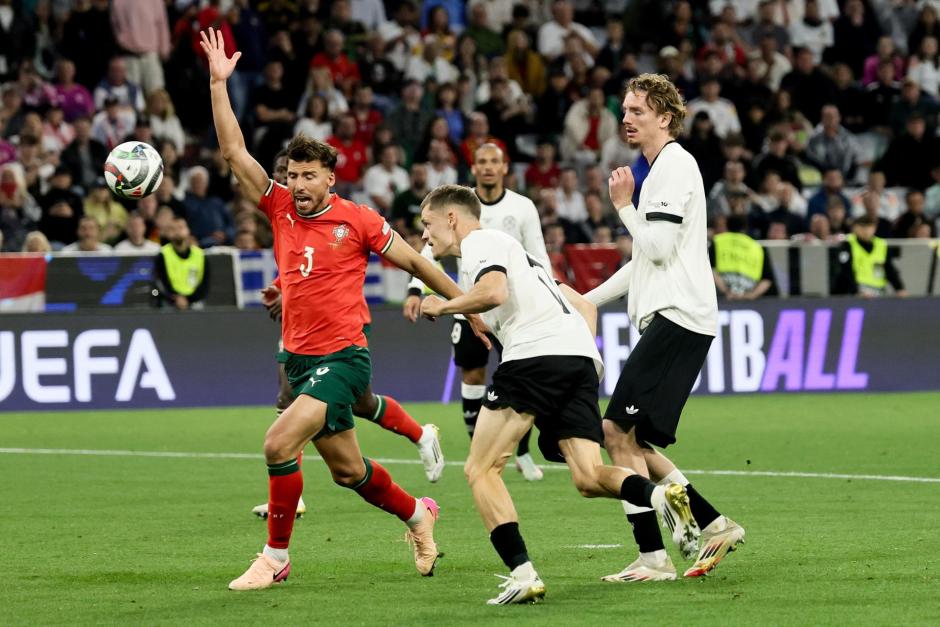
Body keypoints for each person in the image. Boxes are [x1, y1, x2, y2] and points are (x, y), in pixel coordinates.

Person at [201, 28, 477, 590]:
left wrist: (464, 304)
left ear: (330, 177)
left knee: (278, 442)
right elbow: (232, 151)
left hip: (345, 357)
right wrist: (217, 83)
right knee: (350, 471)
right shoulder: (279, 208)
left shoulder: (359, 220)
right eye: (292, 176)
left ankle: (275, 558)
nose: (297, 185)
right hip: (300, 357)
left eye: (308, 177)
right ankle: (417, 514)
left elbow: (418, 265)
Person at [417, 184, 694, 604]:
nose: (425, 236)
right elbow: (584, 308)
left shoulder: (479, 242)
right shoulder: (525, 259)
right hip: (578, 360)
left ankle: (523, 574)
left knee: (480, 469)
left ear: (452, 218)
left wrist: (444, 306)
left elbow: (494, 292)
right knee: (587, 476)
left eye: (427, 224)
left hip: (534, 360)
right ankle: (660, 496)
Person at [584, 74, 745, 581]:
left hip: (679, 317)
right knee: (635, 443)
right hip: (675, 316)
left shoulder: (673, 166)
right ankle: (714, 524)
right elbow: (645, 264)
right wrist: (587, 299)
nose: (626, 118)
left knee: (615, 431)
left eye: (637, 110)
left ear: (666, 118)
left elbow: (653, 249)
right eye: (625, 110)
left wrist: (623, 207)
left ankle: (653, 558)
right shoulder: (659, 171)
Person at [403, 143, 550, 481]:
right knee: (472, 374)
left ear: (504, 168)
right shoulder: (454, 206)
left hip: (511, 309)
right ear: (474, 168)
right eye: (481, 162)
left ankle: (522, 451)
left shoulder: (522, 207)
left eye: (493, 162)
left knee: (517, 375)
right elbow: (429, 248)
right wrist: (415, 288)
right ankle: (477, 446)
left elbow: (538, 253)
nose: (487, 167)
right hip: (467, 302)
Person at [832, 216, 907, 298]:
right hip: (857, 289)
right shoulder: (848, 243)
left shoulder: (881, 245)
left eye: (869, 227)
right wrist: (856, 291)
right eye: (862, 227)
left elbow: (889, 268)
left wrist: (899, 288)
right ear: (855, 228)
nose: (866, 231)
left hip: (878, 289)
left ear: (874, 228)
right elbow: (846, 270)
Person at [711, 215, 778, 300]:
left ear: (727, 226)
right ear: (745, 228)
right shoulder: (757, 247)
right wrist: (751, 295)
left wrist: (726, 291)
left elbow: (711, 270)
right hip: (749, 298)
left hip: (722, 298)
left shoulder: (717, 241)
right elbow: (767, 279)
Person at [152, 216, 209, 309]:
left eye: (181, 227)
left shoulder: (200, 255)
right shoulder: (163, 254)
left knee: (199, 307)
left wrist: (188, 299)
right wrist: (176, 298)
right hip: (171, 301)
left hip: (194, 300)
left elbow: (205, 284)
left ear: (188, 230)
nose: (177, 231)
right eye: (173, 229)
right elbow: (160, 283)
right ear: (168, 233)